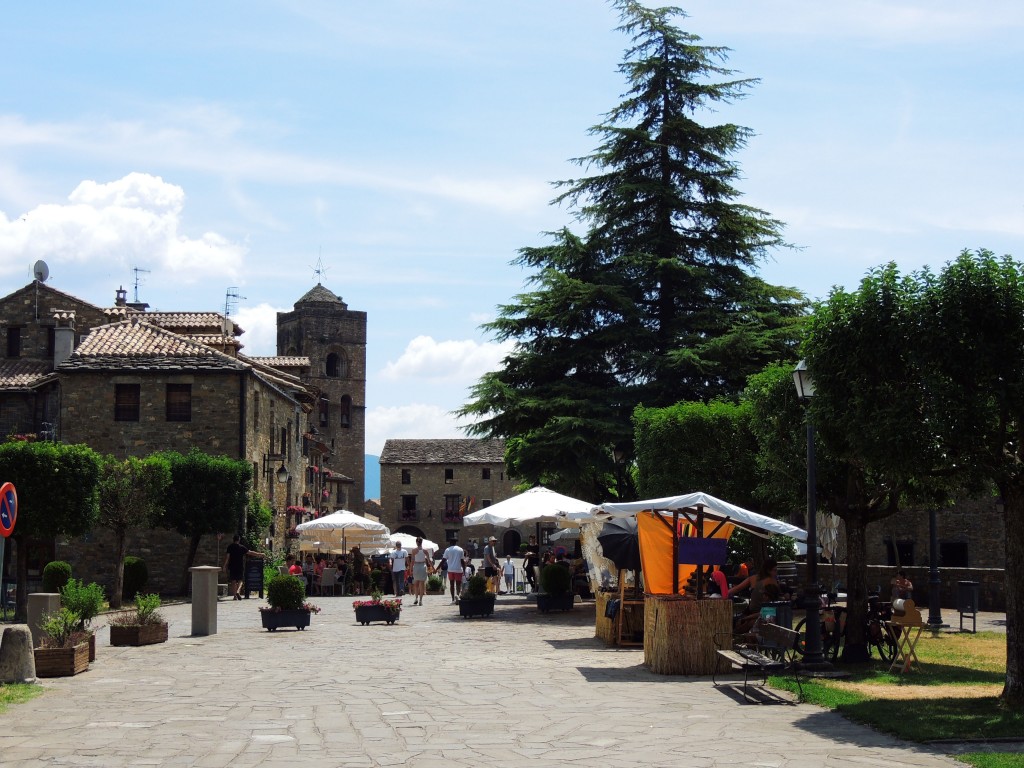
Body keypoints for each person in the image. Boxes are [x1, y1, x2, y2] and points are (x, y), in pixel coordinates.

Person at [728, 558, 783, 634]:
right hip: (751, 611)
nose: (776, 573)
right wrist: (723, 595)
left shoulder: (773, 582)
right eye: (774, 570)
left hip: (764, 613)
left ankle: (731, 635)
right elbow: (737, 589)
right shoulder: (754, 578)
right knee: (736, 622)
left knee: (746, 625)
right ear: (768, 570)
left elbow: (773, 605)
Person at [222, 534, 261, 601]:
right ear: (239, 540)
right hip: (239, 565)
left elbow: (227, 557)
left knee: (233, 581)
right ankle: (238, 591)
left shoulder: (230, 547)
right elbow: (250, 552)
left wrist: (224, 566)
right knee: (240, 580)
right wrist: (259, 554)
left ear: (233, 540)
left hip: (232, 566)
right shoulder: (241, 547)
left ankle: (234, 596)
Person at [410, 537, 433, 606]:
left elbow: (412, 561)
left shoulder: (414, 550)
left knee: (416, 584)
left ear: (416, 542)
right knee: (422, 584)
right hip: (422, 566)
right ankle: (420, 600)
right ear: (422, 542)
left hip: (416, 566)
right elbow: (429, 561)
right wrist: (433, 568)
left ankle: (416, 598)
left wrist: (410, 569)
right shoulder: (425, 551)